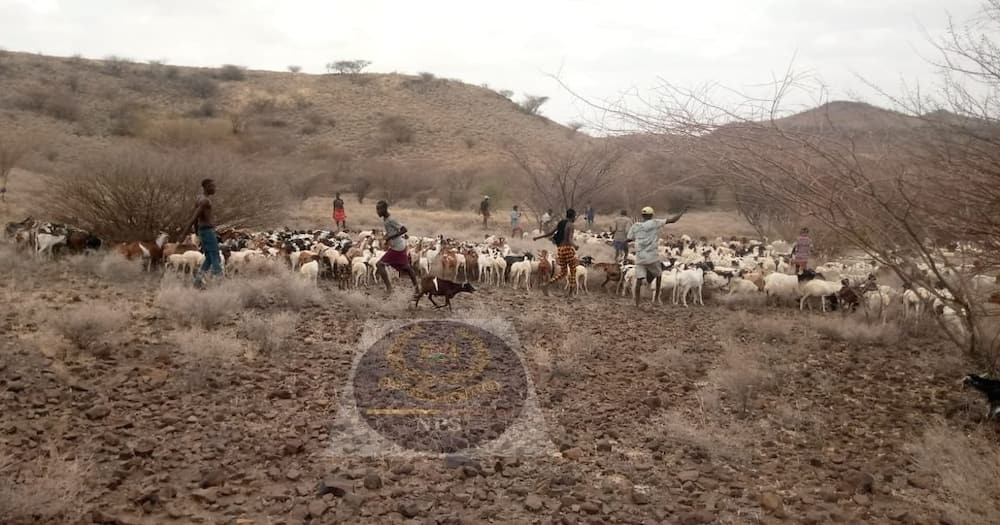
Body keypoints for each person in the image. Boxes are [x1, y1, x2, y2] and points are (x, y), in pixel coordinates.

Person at [627, 206, 687, 307]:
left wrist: (635, 231)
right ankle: (655, 299)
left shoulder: (635, 226)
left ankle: (637, 303)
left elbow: (629, 239)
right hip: (652, 257)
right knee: (659, 276)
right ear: (651, 215)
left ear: (642, 215)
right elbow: (673, 220)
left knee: (639, 280)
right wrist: (682, 212)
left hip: (640, 258)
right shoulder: (655, 222)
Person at [374, 200, 419, 298]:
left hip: (397, 248)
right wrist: (386, 237)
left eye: (378, 209)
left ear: (384, 209)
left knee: (379, 264)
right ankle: (417, 288)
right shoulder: (386, 220)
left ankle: (389, 289)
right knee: (406, 267)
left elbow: (404, 229)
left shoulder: (391, 219)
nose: (377, 211)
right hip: (399, 246)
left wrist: (390, 238)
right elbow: (391, 231)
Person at [533, 209, 580, 296]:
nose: (574, 218)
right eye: (574, 216)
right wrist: (575, 246)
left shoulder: (561, 223)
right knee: (573, 270)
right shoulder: (571, 225)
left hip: (560, 250)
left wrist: (538, 237)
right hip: (568, 249)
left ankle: (546, 284)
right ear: (573, 216)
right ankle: (570, 293)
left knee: (563, 272)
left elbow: (550, 233)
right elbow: (569, 239)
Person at [188, 178, 223, 289]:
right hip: (207, 231)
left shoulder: (199, 198)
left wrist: (197, 232)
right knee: (215, 256)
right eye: (213, 186)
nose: (215, 188)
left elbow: (196, 219)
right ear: (206, 187)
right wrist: (184, 233)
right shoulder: (205, 201)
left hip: (203, 231)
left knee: (208, 258)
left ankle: (197, 282)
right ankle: (220, 283)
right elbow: (194, 217)